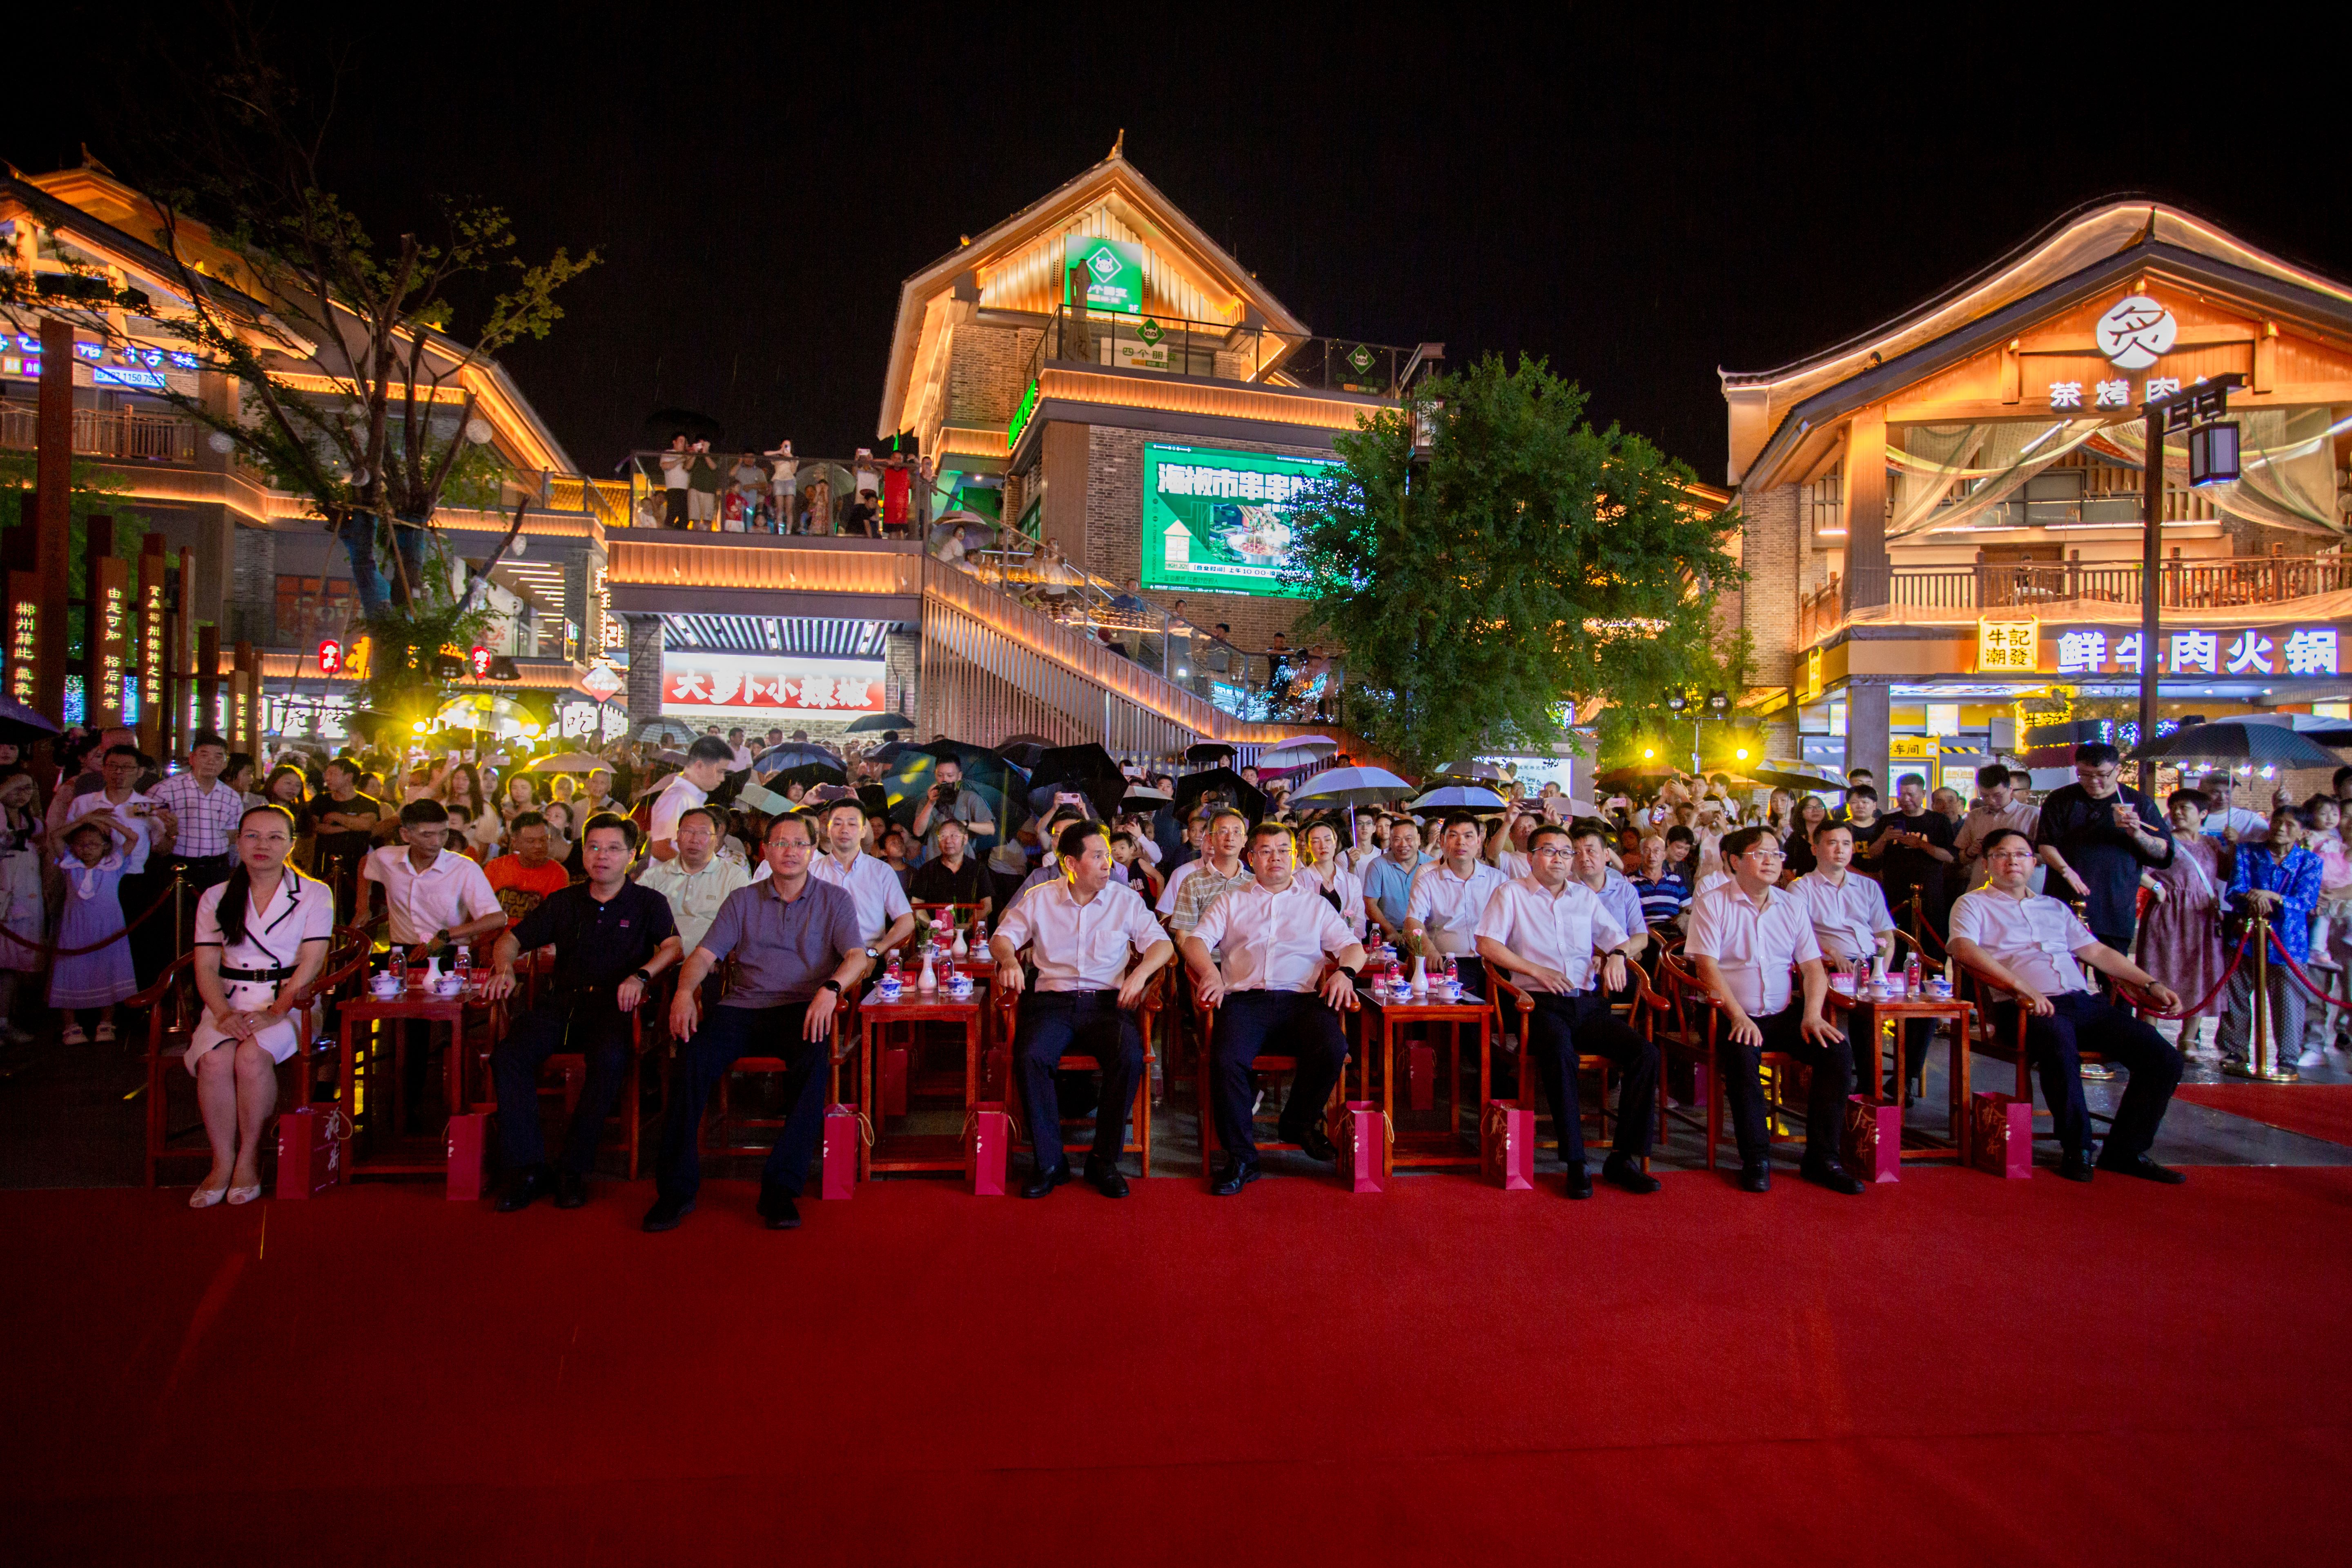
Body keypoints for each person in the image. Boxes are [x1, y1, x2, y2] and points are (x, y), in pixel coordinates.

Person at [645, 813, 869, 1232]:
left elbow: (857, 956)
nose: (790, 851)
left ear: (813, 850)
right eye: (780, 843)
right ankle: (676, 1189)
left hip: (802, 1007)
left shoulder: (834, 899)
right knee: (691, 1060)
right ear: (765, 850)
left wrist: (831, 988)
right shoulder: (743, 900)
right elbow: (703, 956)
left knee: (813, 1063)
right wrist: (684, 992)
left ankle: (781, 1188)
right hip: (743, 1007)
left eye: (799, 844)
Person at [1949, 828, 2186, 1183]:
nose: (2012, 861)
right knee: (2060, 1047)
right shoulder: (1973, 904)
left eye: (2021, 854)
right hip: (2023, 1008)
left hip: (2080, 1002)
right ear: (1986, 863)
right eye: (2001, 854)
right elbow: (1963, 948)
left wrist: (2149, 984)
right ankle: (2078, 1147)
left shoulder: (2054, 907)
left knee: (2164, 1058)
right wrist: (2022, 988)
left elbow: (2097, 952)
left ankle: (2125, 1151)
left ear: (2034, 863)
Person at [484, 814, 683, 1212]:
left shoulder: (648, 902)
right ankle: (528, 1168)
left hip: (615, 1006)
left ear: (631, 855)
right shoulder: (565, 901)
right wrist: (504, 968)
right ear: (584, 852)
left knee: (609, 1061)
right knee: (508, 1057)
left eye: (613, 849)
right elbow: (510, 940)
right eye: (594, 847)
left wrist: (641, 977)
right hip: (562, 1003)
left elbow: (673, 947)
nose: (602, 856)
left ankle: (572, 1169)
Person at [991, 819, 1176, 1198]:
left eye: (1108, 856)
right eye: (1098, 857)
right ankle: (1050, 1163)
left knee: (1130, 1057)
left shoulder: (1125, 900)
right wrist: (1009, 960)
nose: (1108, 864)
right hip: (1052, 1004)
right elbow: (1001, 937)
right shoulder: (1040, 898)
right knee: (1030, 1057)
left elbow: (1163, 945)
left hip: (1107, 1005)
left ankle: (1103, 1161)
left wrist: (1140, 974)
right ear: (1071, 864)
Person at [1474, 821, 1661, 1196]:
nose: (1558, 859)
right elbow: (1486, 945)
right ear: (1531, 858)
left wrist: (1617, 956)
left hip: (1587, 1005)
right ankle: (1576, 1162)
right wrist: (1536, 970)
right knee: (1561, 1055)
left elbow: (1618, 938)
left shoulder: (1584, 897)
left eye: (1565, 852)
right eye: (1549, 851)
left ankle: (1622, 1158)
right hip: (1538, 1006)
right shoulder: (1511, 894)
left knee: (1646, 1053)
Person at [1180, 822, 1366, 1195]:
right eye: (1266, 851)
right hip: (1245, 1002)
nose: (1275, 858)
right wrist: (1209, 973)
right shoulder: (1231, 901)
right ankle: (1242, 1158)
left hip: (1301, 1002)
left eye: (1283, 850)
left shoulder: (1315, 905)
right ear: (1252, 858)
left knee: (1334, 1047)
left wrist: (1345, 973)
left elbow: (1352, 947)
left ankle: (1298, 1122)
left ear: (1295, 857)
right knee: (1226, 1059)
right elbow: (1195, 941)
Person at [1684, 825, 1864, 1195]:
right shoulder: (1713, 903)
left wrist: (1812, 1015)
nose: (1771, 861)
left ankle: (1822, 1158)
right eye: (1760, 854)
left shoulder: (1791, 905)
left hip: (1782, 1014)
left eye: (1776, 854)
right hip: (1728, 1013)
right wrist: (1738, 1015)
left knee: (1837, 1052)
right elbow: (1707, 968)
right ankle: (1756, 1158)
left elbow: (1813, 967)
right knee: (1742, 1054)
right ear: (1735, 861)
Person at [184, 804, 335, 1206]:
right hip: (229, 1001)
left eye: (274, 837)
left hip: (291, 1002)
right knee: (214, 1060)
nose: (262, 845)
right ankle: (222, 1160)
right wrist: (223, 1014)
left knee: (251, 1058)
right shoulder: (216, 896)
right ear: (238, 843)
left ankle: (249, 1157)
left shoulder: (314, 893)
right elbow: (206, 965)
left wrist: (276, 1011)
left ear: (291, 845)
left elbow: (312, 962)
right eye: (252, 836)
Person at [363, 800, 510, 1130]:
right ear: (406, 834)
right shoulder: (387, 859)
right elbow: (365, 863)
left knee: (449, 1028)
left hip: (449, 954)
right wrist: (362, 906)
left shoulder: (463, 868)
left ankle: (454, 1109)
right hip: (403, 954)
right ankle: (402, 1110)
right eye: (427, 835)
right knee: (405, 1032)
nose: (437, 842)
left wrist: (447, 935)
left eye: (443, 833)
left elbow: (496, 917)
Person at [2033, 742, 2174, 958]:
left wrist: (2138, 834)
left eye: (2102, 775)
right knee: (2061, 966)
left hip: (2115, 902)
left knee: (2113, 969)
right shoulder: (2060, 800)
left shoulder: (2137, 803)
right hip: (2065, 897)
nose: (2093, 782)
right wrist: (2066, 870)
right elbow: (2045, 843)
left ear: (2117, 770)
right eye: (2085, 775)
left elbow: (2163, 851)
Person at [2218, 805, 2322, 1073]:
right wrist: (2253, 897)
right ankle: (2236, 1050)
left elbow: (2306, 901)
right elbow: (2235, 890)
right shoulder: (2248, 852)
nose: (2280, 829)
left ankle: (2288, 1057)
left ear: (2302, 832)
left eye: (2290, 825)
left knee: (2288, 1000)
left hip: (2287, 941)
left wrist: (2273, 896)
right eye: (2277, 822)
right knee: (2236, 994)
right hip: (2246, 935)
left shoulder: (2310, 862)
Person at [2136, 790, 2230, 1060]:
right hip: (2168, 913)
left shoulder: (2212, 844)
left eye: (2185, 808)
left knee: (2199, 971)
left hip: (2202, 916)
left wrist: (2233, 845)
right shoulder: (2164, 843)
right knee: (2158, 969)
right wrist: (2157, 888)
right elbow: (2138, 870)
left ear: (2203, 814)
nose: (2177, 812)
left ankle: (2189, 1038)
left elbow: (2226, 873)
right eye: (2174, 807)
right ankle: (2149, 1036)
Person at [49, 812, 142, 1044]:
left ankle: (106, 1022)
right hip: (75, 928)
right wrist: (83, 821)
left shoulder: (114, 864)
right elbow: (55, 836)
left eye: (93, 844)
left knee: (106, 969)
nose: (87, 849)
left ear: (105, 846)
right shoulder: (70, 864)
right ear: (74, 847)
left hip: (108, 929)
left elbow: (133, 838)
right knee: (70, 970)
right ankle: (70, 1026)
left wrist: (108, 822)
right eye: (81, 845)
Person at [1404, 811, 1512, 1000]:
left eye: (1468, 836)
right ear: (1443, 841)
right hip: (1448, 964)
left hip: (1495, 963)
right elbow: (1413, 922)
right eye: (1453, 836)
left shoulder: (1498, 880)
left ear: (1479, 842)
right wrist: (1428, 948)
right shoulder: (1428, 881)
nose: (1461, 842)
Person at [637, 805, 751, 954]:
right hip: (657, 961)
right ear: (678, 836)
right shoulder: (653, 876)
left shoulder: (734, 878)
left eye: (703, 833)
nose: (694, 840)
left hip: (711, 963)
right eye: (688, 832)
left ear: (716, 839)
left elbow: (745, 927)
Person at [1858, 773, 1954, 939]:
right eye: (1901, 794)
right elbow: (1872, 853)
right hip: (1895, 891)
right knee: (1896, 938)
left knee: (1931, 939)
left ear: (1923, 794)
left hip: (1930, 892)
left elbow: (1950, 857)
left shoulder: (1939, 821)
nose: (1905, 799)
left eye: (1911, 794)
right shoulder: (1888, 820)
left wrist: (1921, 844)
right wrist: (1884, 838)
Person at [310, 758, 383, 920]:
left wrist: (335, 817)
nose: (327, 778)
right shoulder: (321, 800)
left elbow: (366, 825)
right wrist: (349, 826)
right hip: (324, 863)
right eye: (327, 773)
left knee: (354, 909)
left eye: (333, 774)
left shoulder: (368, 803)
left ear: (349, 777)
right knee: (322, 910)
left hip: (357, 865)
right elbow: (316, 827)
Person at [0, 772, 43, 1042]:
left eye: (27, 789)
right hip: (3, 898)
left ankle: (4, 1021)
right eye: (15, 788)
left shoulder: (33, 824)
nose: (21, 794)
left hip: (25, 899)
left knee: (12, 965)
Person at [1953, 761, 2040, 894]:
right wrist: (1971, 851)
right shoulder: (1975, 817)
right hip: (1981, 891)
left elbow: (2046, 857)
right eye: (1985, 796)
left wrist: (2017, 853)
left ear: (2010, 790)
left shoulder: (2032, 815)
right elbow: (1962, 859)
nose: (1991, 801)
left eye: (1997, 796)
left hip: (2020, 893)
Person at [1167, 808, 1253, 940]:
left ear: (1244, 841)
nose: (1230, 838)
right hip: (1204, 951)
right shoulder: (1192, 882)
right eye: (1223, 831)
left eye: (1237, 832)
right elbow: (1183, 937)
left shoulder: (1255, 884)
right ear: (1211, 838)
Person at [648, 736, 736, 863]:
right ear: (699, 766)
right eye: (720, 772)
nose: (722, 778)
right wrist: (697, 868)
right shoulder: (677, 797)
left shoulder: (692, 797)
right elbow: (660, 849)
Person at [484, 813, 574, 927]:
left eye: (543, 840)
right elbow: (479, 910)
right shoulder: (496, 867)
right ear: (515, 843)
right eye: (531, 841)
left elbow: (554, 920)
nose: (539, 846)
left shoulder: (558, 873)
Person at [911, 756, 995, 860]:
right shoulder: (926, 801)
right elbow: (918, 832)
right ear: (935, 775)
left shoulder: (970, 798)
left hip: (964, 861)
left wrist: (964, 824)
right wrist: (931, 803)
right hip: (936, 861)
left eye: (950, 776)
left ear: (959, 776)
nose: (945, 780)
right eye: (940, 775)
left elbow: (990, 829)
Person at [1360, 817, 1428, 942]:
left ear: (1418, 839)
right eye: (1397, 839)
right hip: (1391, 933)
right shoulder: (1378, 865)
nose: (1403, 844)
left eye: (1409, 839)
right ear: (1391, 841)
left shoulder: (1431, 866)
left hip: (1425, 934)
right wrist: (1391, 931)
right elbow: (1370, 904)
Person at [909, 816, 990, 918]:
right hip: (933, 927)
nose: (948, 841)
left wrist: (968, 925)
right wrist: (932, 925)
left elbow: (987, 906)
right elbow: (917, 904)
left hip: (969, 927)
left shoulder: (978, 869)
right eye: (943, 836)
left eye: (954, 836)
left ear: (965, 839)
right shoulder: (927, 869)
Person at [1299, 819, 1366, 940]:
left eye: (1328, 840)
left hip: (1348, 946)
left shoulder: (1352, 882)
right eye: (1316, 841)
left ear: (1335, 843)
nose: (1323, 846)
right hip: (1313, 946)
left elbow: (1359, 921)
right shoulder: (1299, 881)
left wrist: (1352, 945)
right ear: (1308, 847)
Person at [1627, 831, 1691, 929]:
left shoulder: (1675, 879)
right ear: (1641, 854)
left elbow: (1688, 907)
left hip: (1673, 929)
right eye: (1647, 851)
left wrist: (1683, 917)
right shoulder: (1629, 881)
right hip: (1645, 932)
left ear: (1664, 855)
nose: (1651, 856)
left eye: (1657, 851)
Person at [2199, 771, 2269, 843]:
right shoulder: (2193, 817)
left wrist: (2239, 841)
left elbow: (2272, 841)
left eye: (2228, 792)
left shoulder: (2250, 819)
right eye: (2215, 792)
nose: (2222, 797)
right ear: (2201, 791)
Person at [1781, 795, 1829, 878]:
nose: (1815, 810)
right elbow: (1787, 869)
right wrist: (1798, 885)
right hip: (1803, 884)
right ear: (1801, 812)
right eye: (1809, 807)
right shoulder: (1795, 839)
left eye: (1819, 807)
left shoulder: (1832, 835)